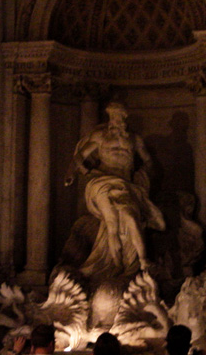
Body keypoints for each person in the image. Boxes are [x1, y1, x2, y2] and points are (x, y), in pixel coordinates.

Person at [64, 102, 165, 281]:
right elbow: (79, 156)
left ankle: (143, 261)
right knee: (111, 222)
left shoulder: (134, 139)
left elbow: (149, 162)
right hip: (101, 182)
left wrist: (144, 176)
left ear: (124, 119)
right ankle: (117, 266)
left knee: (130, 217)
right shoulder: (100, 137)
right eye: (113, 117)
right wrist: (76, 173)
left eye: (119, 117)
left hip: (125, 184)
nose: (115, 121)